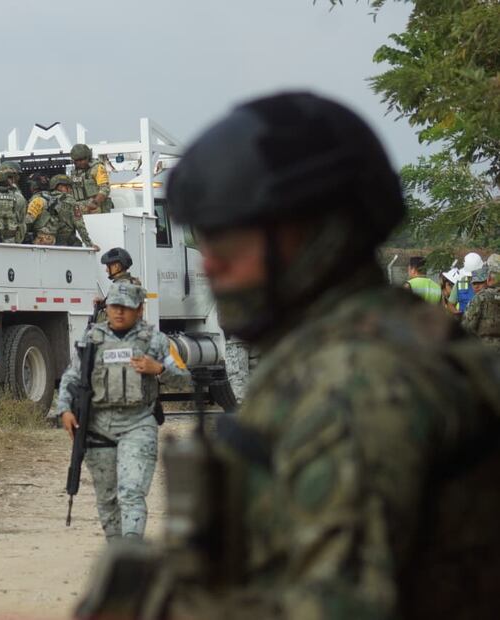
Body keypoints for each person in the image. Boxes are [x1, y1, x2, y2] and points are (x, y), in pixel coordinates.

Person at [80, 92, 500, 619]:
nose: (211, 268)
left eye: (231, 244)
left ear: (317, 234)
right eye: (205, 244)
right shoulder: (389, 341)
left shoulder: (358, 384)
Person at [55, 281, 189, 541]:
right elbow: (72, 377)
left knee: (131, 492)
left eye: (126, 307)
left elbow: (186, 378)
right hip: (97, 427)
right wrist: (64, 410)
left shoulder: (155, 341)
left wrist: (159, 369)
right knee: (107, 497)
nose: (118, 312)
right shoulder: (91, 340)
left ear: (139, 309)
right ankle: (118, 551)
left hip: (138, 424)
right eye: (114, 306)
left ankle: (131, 548)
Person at [50, 174, 97, 248]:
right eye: (69, 187)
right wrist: (90, 245)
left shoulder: (43, 198)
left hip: (46, 241)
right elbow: (79, 225)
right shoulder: (70, 201)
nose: (71, 190)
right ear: (60, 187)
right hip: (64, 241)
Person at [462, 266, 500, 352]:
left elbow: (467, 327)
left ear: (487, 281)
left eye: (480, 283)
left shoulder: (479, 298)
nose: (476, 286)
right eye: (474, 283)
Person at [69, 143, 112, 214]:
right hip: (80, 209)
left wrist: (94, 203)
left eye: (83, 159)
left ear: (88, 157)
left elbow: (105, 189)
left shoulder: (97, 168)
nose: (81, 162)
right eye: (78, 160)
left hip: (95, 208)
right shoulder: (75, 172)